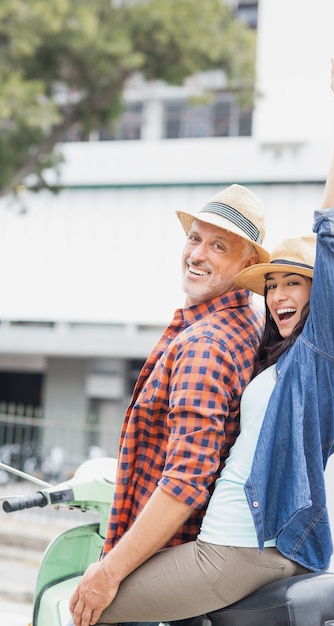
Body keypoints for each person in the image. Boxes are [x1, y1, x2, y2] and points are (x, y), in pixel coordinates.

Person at [69, 41, 334, 626]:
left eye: (299, 283)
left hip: (240, 549)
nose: (283, 294)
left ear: (328, 299)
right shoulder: (266, 342)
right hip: (233, 545)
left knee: (85, 606)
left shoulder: (325, 354)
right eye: (275, 284)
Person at [67, 182, 269, 626]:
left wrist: (110, 571)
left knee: (80, 607)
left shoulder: (207, 342)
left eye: (219, 246)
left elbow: (186, 479)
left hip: (172, 548)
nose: (197, 254)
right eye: (194, 238)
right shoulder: (247, 326)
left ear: (248, 263)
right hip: (207, 547)